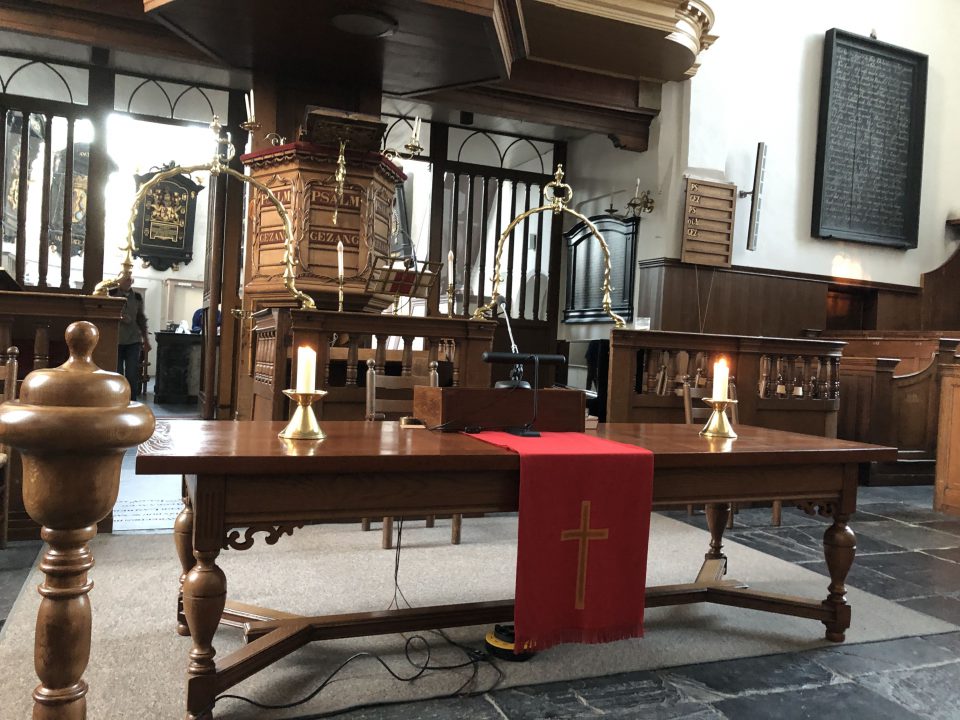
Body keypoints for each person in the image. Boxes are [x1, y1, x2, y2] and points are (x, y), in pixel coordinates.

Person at [110, 273, 151, 401]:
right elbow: (106, 312)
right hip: (116, 340)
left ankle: (131, 401)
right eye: (125, 279)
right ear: (119, 280)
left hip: (133, 340)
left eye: (130, 279)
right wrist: (120, 317)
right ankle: (116, 399)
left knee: (132, 373)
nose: (128, 281)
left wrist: (146, 340)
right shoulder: (111, 293)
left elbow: (141, 318)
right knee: (116, 373)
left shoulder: (137, 297)